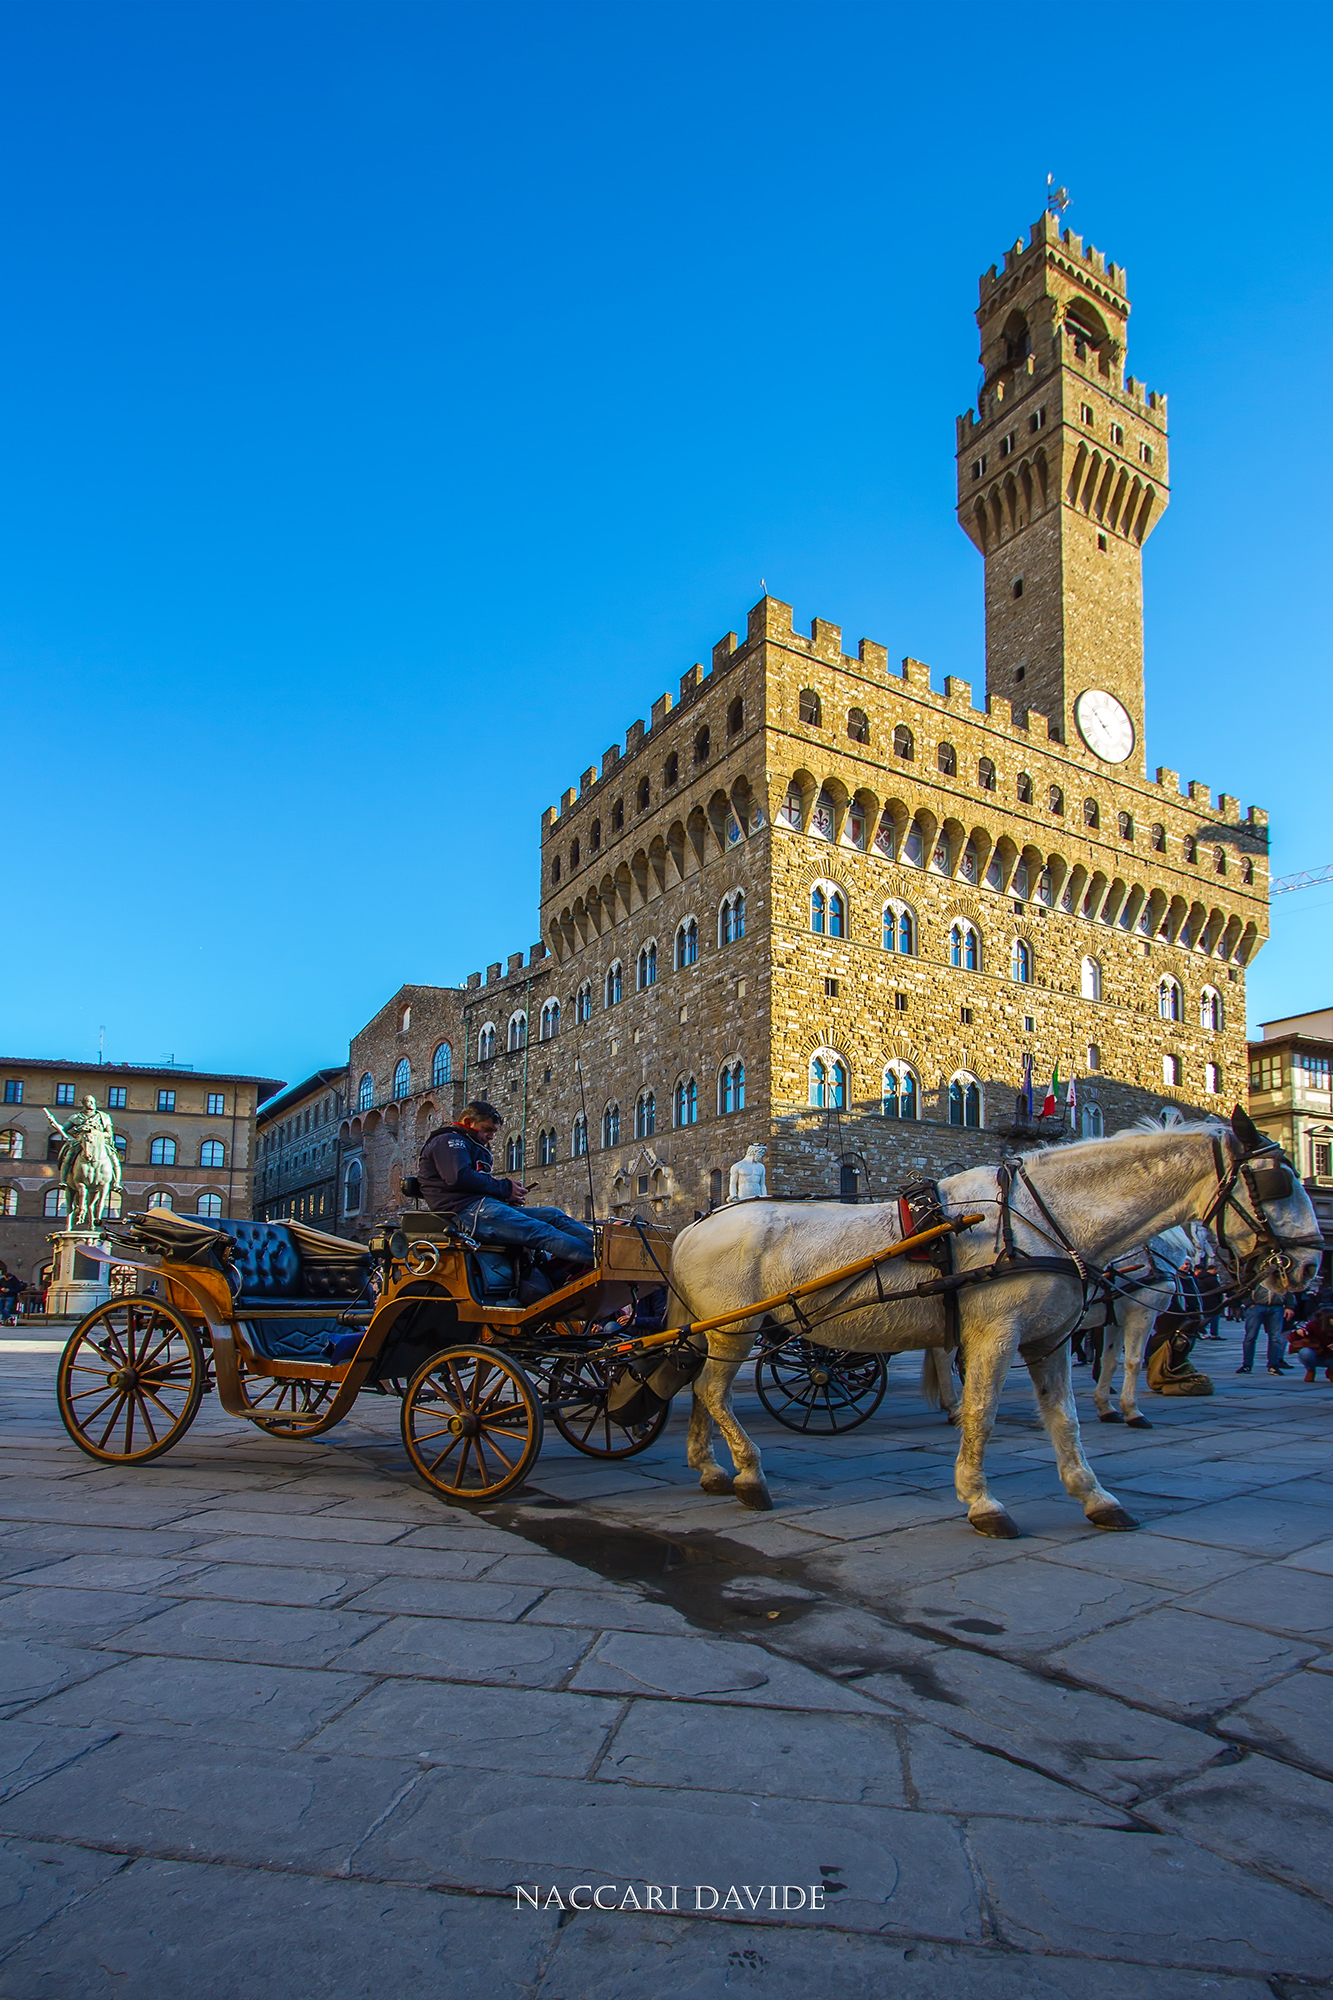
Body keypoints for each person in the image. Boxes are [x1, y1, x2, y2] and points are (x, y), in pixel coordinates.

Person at [417, 1100, 596, 1273]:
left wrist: (506, 1195)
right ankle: (600, 1260)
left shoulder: (473, 1145)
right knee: (539, 1231)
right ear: (468, 1122)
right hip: (463, 1211)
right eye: (486, 1130)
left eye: (494, 1132)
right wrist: (504, 1188)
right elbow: (458, 1177)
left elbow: (475, 1183)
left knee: (553, 1215)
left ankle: (605, 1247)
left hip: (483, 1206)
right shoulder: (448, 1140)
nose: (490, 1136)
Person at [1239, 1278, 1291, 1375]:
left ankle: (1273, 1365)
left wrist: (1289, 1306)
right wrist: (1249, 1303)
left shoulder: (1280, 1273)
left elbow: (1288, 1289)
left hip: (1276, 1306)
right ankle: (1247, 1364)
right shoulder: (1256, 1273)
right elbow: (1243, 1287)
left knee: (1275, 1338)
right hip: (1257, 1305)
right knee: (1250, 1336)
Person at [1291, 1305, 1333, 1384]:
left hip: (1330, 1357)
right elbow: (1293, 1338)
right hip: (1315, 1354)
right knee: (1305, 1352)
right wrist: (1298, 1332)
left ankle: (1331, 1370)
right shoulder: (1313, 1325)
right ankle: (1311, 1370)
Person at [1195, 1259, 1226, 1341]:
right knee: (1214, 1318)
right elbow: (1217, 1290)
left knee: (1206, 1317)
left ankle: (1202, 1330)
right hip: (1212, 1301)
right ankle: (1213, 1333)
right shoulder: (1211, 1279)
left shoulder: (1201, 1277)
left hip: (1204, 1300)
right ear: (1214, 1270)